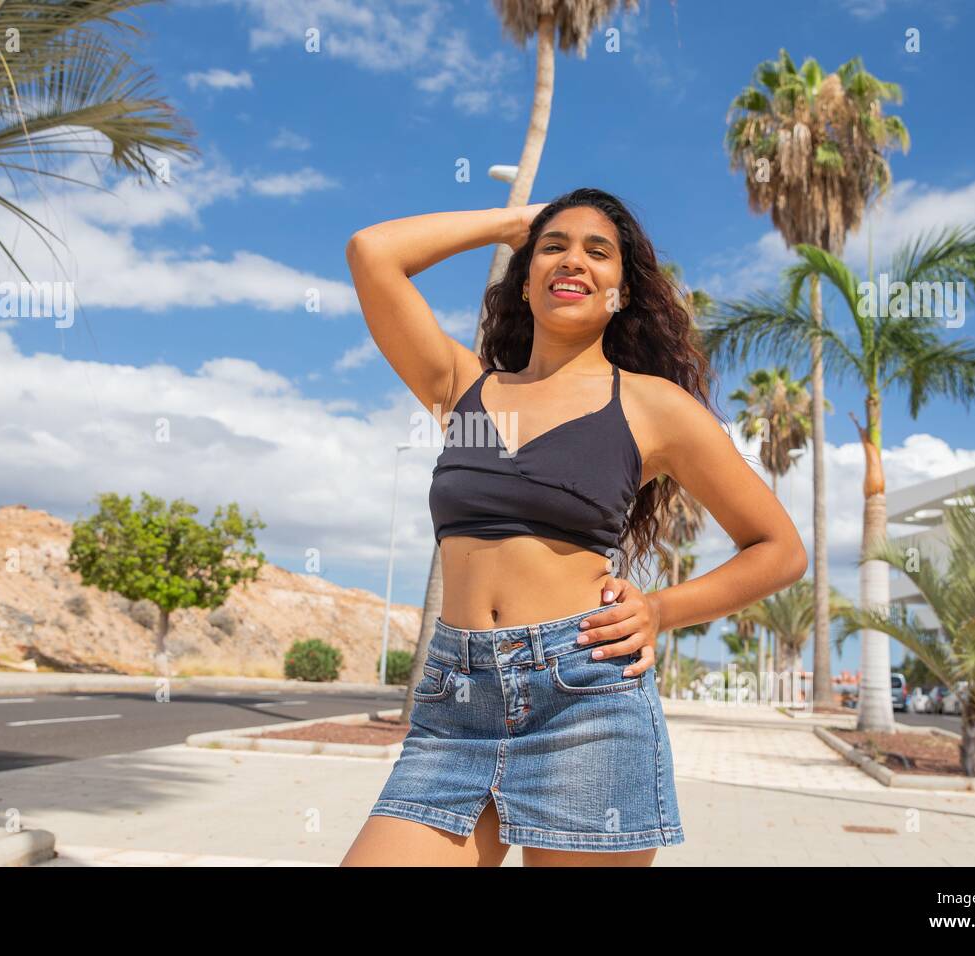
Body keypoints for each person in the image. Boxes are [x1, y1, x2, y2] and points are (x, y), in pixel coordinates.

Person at [340, 188, 807, 866]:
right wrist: (513, 223)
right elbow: (372, 253)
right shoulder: (462, 388)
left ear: (623, 289)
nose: (574, 260)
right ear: (524, 281)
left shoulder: (653, 407)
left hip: (585, 697)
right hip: (456, 701)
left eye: (599, 252)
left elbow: (779, 549)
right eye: (554, 248)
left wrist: (660, 609)